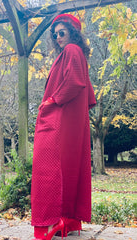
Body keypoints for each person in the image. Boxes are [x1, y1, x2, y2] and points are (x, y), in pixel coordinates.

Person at [31, 14, 96, 240]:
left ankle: (49, 223)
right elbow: (86, 94)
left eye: (62, 33)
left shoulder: (71, 51)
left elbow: (75, 82)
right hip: (71, 121)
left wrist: (52, 100)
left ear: (73, 33)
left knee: (47, 165)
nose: (58, 37)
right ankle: (68, 220)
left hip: (61, 118)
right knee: (67, 167)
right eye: (55, 34)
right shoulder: (76, 54)